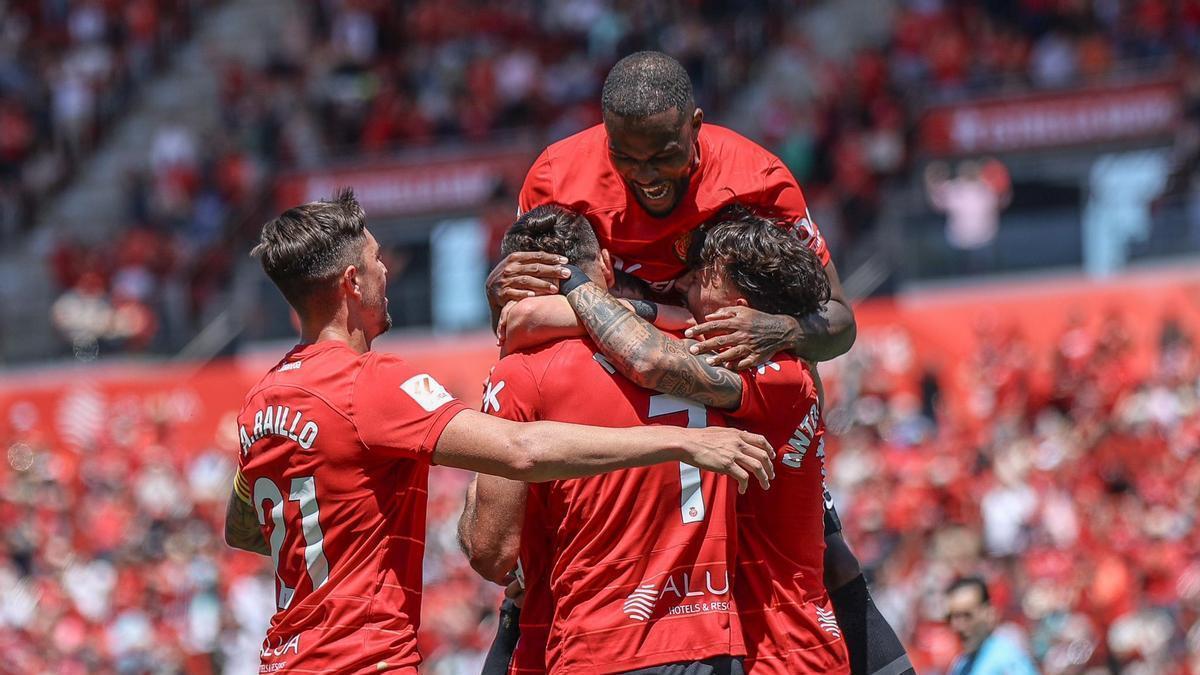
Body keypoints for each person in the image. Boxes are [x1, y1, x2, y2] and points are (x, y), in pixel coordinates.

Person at [223, 190, 776, 674]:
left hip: (285, 659)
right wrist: (684, 441)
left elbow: (244, 529)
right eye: (375, 260)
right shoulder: (367, 384)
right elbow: (519, 450)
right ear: (351, 284)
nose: (385, 271)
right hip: (364, 660)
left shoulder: (260, 401)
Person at [486, 51, 910, 675]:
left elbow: (839, 320)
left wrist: (783, 327)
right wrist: (503, 284)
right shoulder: (557, 175)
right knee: (540, 568)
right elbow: (523, 300)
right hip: (616, 370)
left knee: (812, 547)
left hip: (730, 365)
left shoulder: (758, 177)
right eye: (626, 158)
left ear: (697, 125)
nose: (646, 175)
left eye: (663, 154)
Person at [501, 204, 850, 673]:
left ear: (740, 309)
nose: (680, 286)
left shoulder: (780, 376)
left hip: (785, 647)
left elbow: (650, 358)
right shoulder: (775, 367)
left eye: (701, 277)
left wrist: (569, 292)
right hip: (759, 638)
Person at [460, 204, 748, 674]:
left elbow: (491, 552)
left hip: (598, 645)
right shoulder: (706, 345)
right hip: (712, 640)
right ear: (605, 265)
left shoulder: (520, 371)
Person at [946, 577, 1038, 675]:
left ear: (989, 613)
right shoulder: (962, 665)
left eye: (967, 615)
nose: (958, 626)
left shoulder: (1006, 661)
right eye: (953, 617)